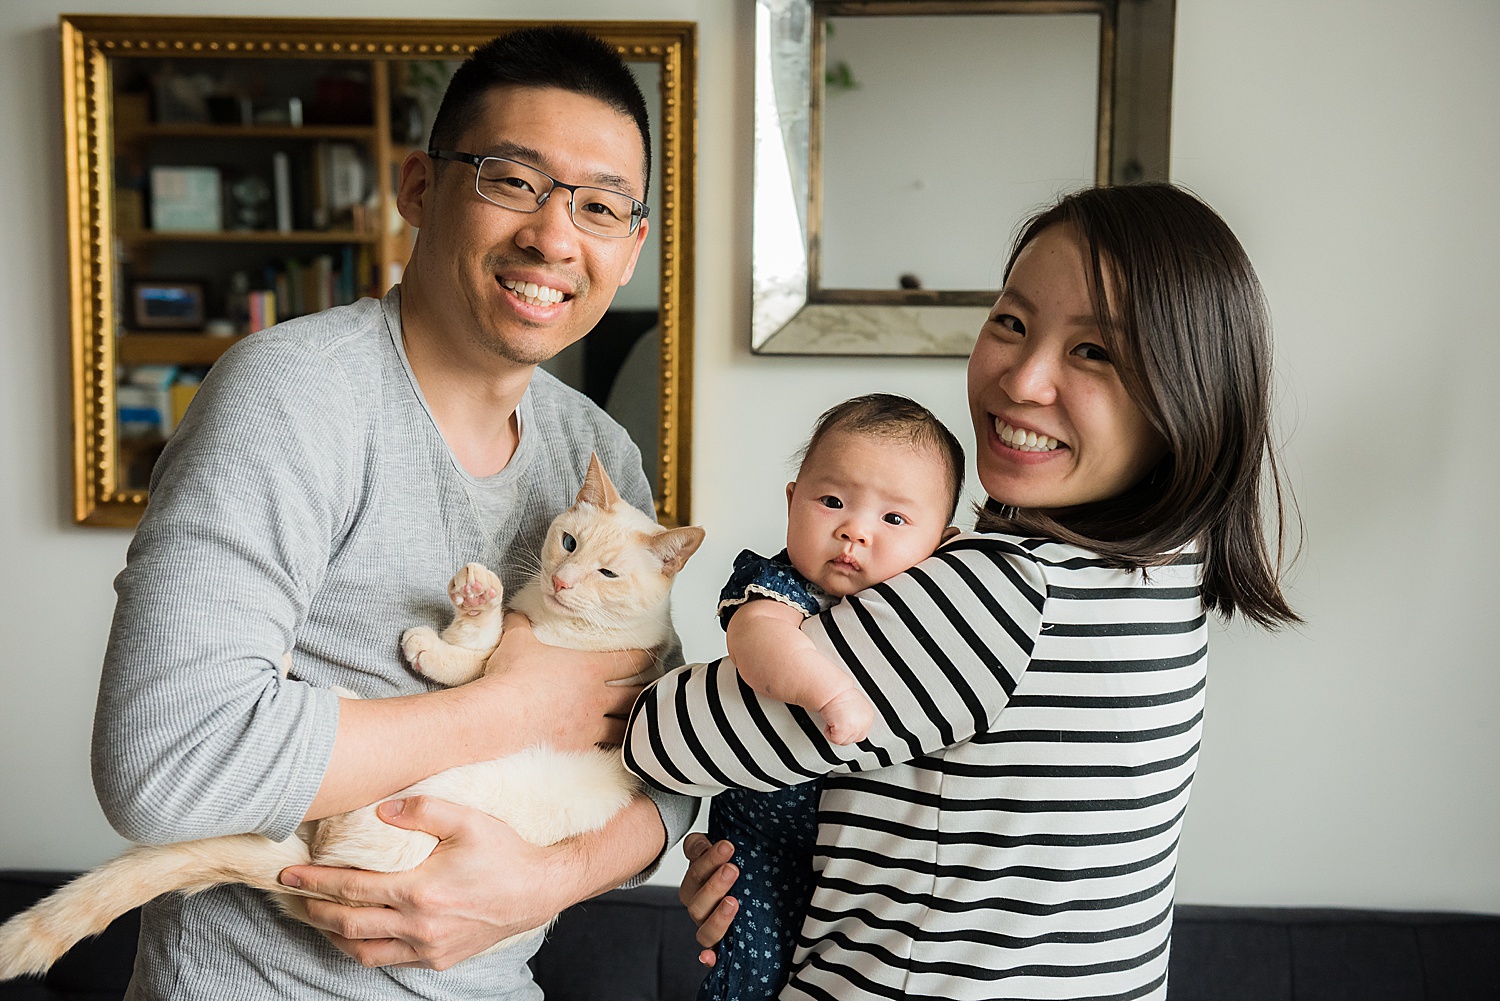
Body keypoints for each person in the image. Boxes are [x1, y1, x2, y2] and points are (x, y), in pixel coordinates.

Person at [93, 26, 696, 1001]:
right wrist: (507, 707)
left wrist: (549, 878)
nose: (553, 234)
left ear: (628, 249)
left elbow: (668, 758)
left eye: (598, 206)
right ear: (420, 189)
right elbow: (165, 763)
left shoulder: (596, 455)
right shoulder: (290, 396)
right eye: (513, 179)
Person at [625, 183, 1300, 1001]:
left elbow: (665, 735)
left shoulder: (1007, 592)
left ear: (1186, 395)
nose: (1022, 379)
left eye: (1094, 351)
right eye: (1011, 322)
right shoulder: (1166, 575)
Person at [703, 393, 965, 1001]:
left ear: (943, 545)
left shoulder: (928, 615)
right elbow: (759, 647)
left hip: (863, 851)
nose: (854, 530)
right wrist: (829, 694)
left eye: (893, 520)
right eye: (833, 502)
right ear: (792, 500)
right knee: (748, 968)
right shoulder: (777, 588)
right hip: (762, 834)